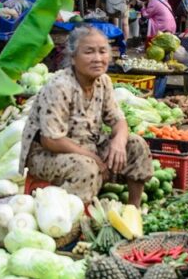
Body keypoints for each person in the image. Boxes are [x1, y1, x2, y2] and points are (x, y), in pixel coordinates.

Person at [20, 26, 153, 206]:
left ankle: (133, 209)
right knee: (87, 167)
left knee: (136, 145)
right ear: (73, 58)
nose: (98, 58)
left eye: (102, 51)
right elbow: (50, 140)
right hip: (48, 154)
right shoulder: (60, 86)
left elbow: (118, 120)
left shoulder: (103, 81)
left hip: (89, 146)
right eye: (89, 52)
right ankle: (75, 221)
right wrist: (94, 158)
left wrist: (119, 141)